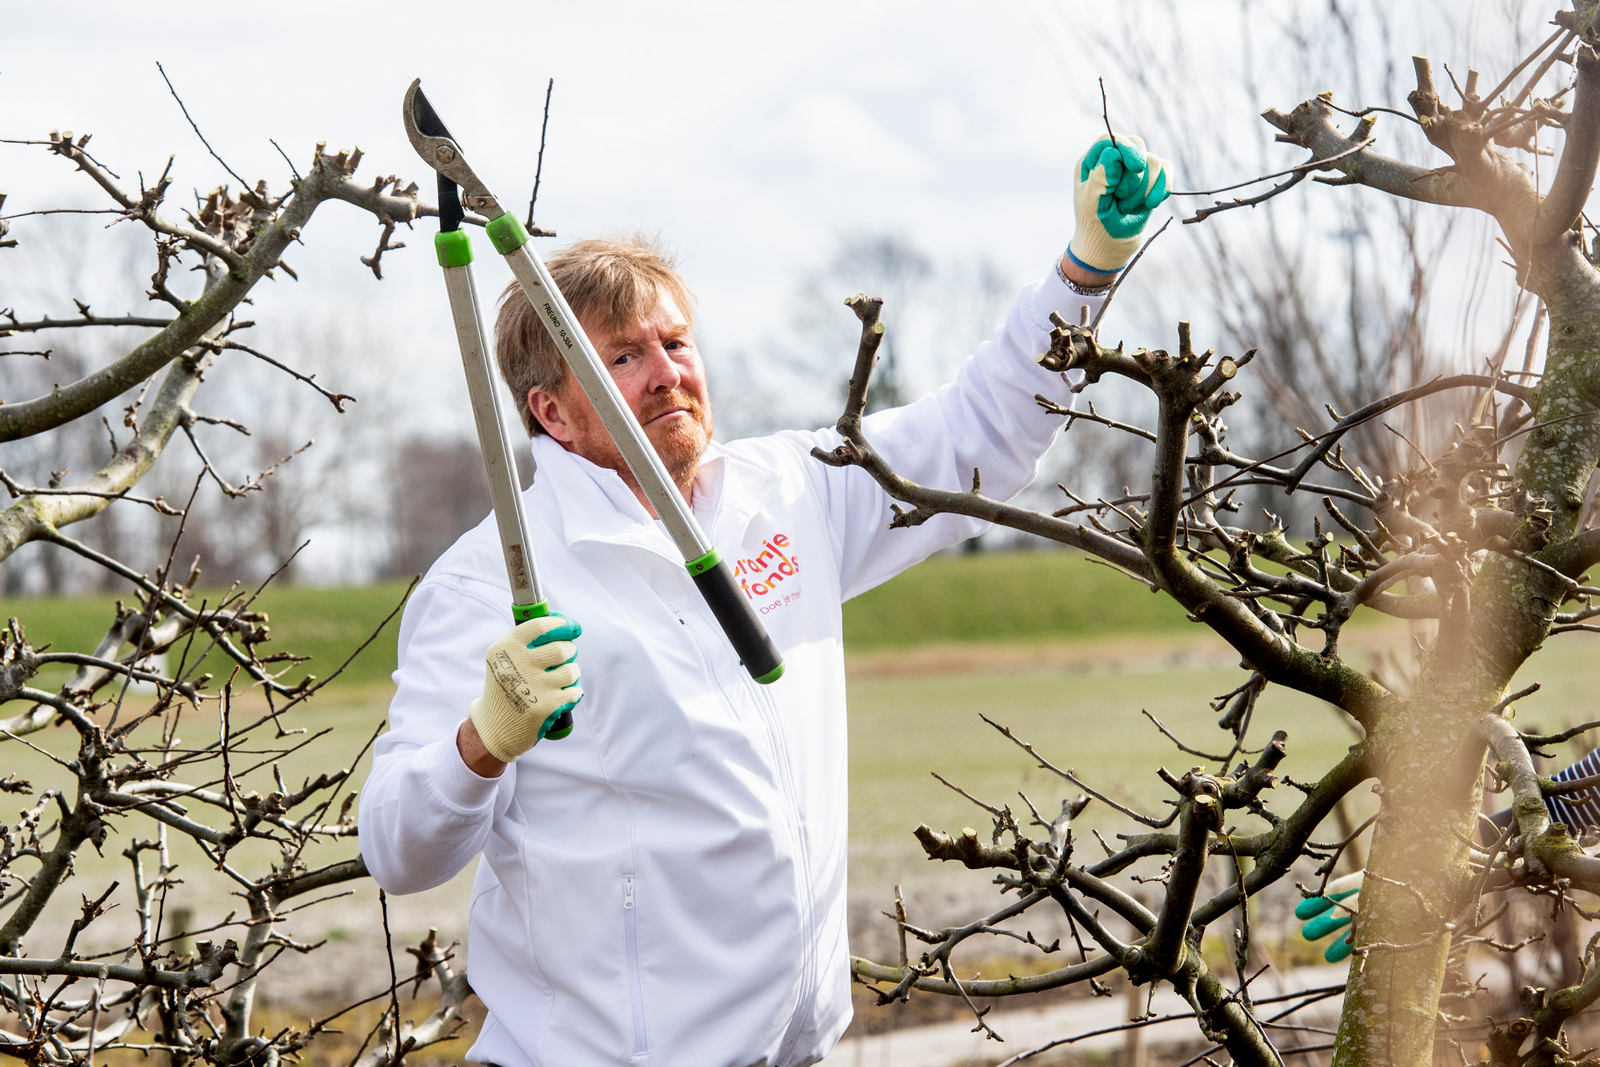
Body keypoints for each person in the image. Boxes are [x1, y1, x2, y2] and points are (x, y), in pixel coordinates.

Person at [358, 135, 1170, 1066]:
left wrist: (1083, 275)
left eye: (675, 342)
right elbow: (397, 849)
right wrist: (480, 743)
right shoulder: (490, 582)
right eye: (622, 359)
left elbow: (978, 431)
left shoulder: (787, 489)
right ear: (552, 412)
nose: (666, 373)